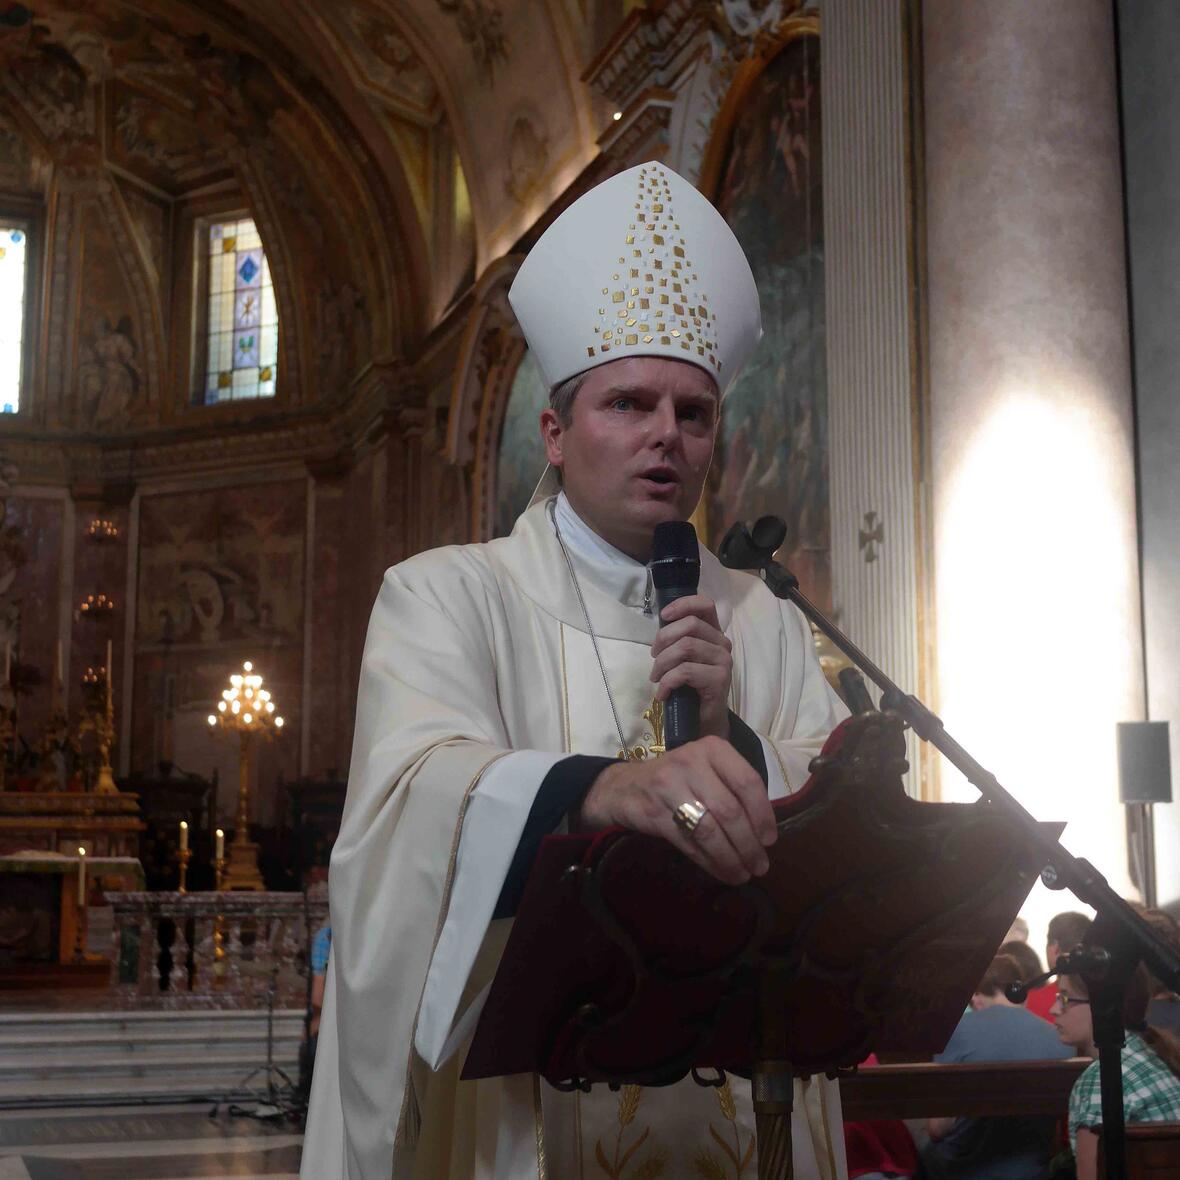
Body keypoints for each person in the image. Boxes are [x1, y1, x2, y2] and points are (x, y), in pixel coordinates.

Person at [300, 161, 850, 1179]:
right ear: (553, 435)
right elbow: (405, 804)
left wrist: (730, 736)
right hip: (532, 1112)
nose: (665, 435)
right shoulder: (447, 595)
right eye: (628, 403)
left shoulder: (765, 617)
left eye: (693, 413)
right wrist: (596, 790)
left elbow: (840, 814)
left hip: (745, 1097)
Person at [921, 954, 1075, 1180]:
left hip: (961, 1170)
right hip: (1032, 1171)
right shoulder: (1059, 1039)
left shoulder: (956, 1031)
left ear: (975, 996)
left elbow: (938, 1129)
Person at [1053, 959, 1180, 1180]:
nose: (1053, 1009)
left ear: (1104, 1004)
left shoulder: (1101, 1079)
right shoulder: (1151, 1051)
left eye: (1065, 998)